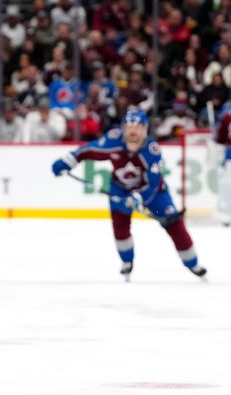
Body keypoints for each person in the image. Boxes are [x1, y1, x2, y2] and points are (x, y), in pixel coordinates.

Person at [52, 108, 207, 280]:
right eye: (129, 126)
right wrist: (68, 161)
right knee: (120, 226)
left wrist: (138, 198)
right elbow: (88, 150)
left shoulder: (152, 151)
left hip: (154, 194)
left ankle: (193, 263)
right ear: (123, 128)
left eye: (138, 126)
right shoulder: (113, 141)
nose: (133, 130)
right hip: (121, 190)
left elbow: (153, 182)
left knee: (174, 224)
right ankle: (127, 261)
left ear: (145, 129)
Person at [212, 102, 231, 226]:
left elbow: (220, 138)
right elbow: (220, 137)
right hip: (230, 156)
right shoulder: (227, 117)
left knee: (227, 186)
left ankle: (227, 214)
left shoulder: (227, 116)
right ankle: (227, 214)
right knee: (227, 185)